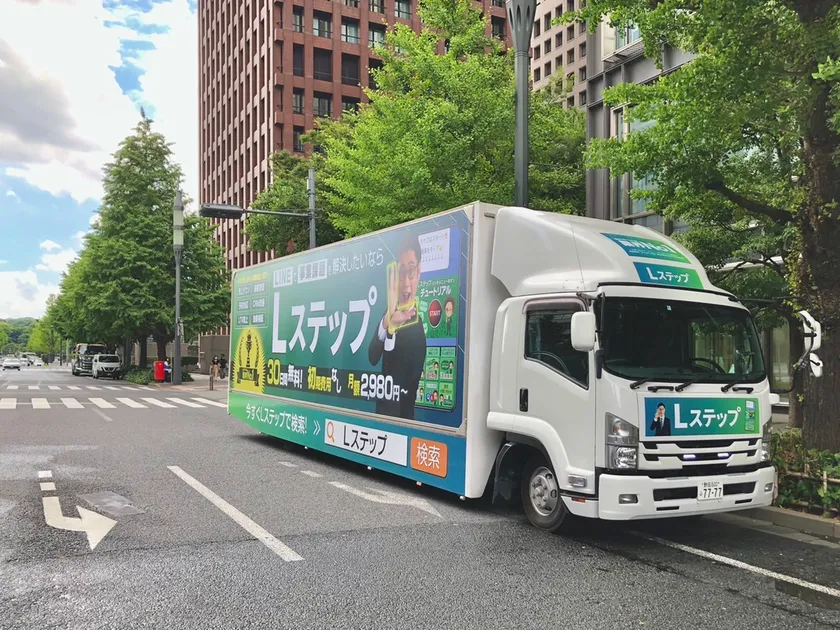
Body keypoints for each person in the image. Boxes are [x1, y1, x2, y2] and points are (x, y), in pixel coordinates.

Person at [368, 232, 427, 419]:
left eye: (411, 271)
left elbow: (396, 381)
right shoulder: (389, 313)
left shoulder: (417, 330)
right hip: (382, 419)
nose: (406, 283)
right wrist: (387, 322)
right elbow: (372, 356)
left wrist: (391, 330)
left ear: (418, 272)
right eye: (401, 272)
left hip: (401, 421)